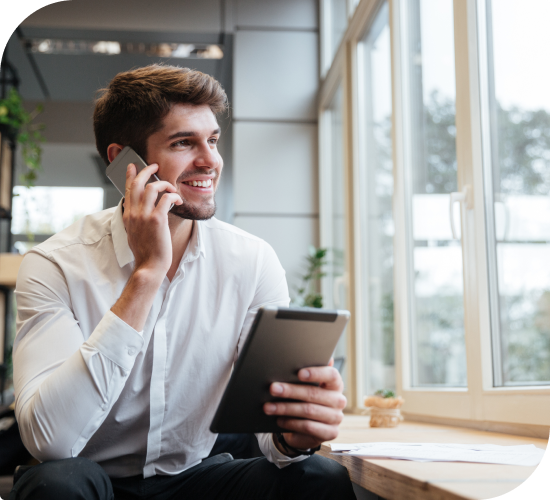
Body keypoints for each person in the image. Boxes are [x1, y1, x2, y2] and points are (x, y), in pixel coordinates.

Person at [10, 65, 356, 500]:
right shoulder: (54, 264)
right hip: (93, 480)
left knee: (320, 479)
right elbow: (51, 443)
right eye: (183, 143)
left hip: (194, 478)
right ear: (123, 163)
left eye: (211, 139)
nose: (210, 160)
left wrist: (295, 433)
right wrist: (147, 274)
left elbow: (270, 436)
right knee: (55, 486)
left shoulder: (251, 261)